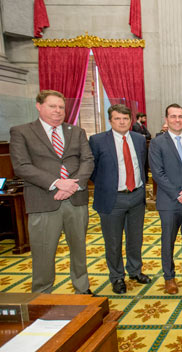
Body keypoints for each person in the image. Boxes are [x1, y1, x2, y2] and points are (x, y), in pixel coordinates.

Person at [9, 90, 94, 294]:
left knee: (79, 249)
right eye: (52, 106)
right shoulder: (22, 132)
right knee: (43, 251)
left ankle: (82, 289)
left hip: (76, 198)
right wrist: (57, 183)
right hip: (43, 200)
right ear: (39, 106)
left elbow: (87, 160)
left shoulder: (77, 131)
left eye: (61, 107)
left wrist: (73, 184)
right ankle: (42, 294)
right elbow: (21, 166)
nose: (57, 111)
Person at [89, 104, 151, 294]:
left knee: (135, 238)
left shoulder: (140, 139)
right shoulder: (97, 140)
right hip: (112, 199)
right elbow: (92, 170)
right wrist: (108, 185)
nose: (122, 122)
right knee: (113, 241)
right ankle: (117, 277)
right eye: (117, 119)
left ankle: (135, 271)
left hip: (136, 196)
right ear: (110, 121)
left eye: (125, 119)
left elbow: (144, 164)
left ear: (130, 120)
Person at [149, 103, 182, 294]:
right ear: (166, 120)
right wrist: (177, 194)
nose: (177, 120)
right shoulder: (157, 143)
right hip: (169, 201)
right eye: (173, 116)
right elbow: (158, 173)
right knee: (168, 240)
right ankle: (169, 277)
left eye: (180, 116)